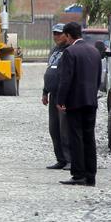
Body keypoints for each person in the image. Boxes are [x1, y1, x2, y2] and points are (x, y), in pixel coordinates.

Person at [56, 21, 102, 186]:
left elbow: (66, 79)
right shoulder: (94, 51)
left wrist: (60, 100)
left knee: (76, 137)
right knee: (89, 137)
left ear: (68, 35)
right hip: (91, 100)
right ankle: (91, 176)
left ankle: (78, 174)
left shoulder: (70, 52)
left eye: (65, 36)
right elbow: (98, 78)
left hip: (75, 102)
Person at [42, 23, 70, 170]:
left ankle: (69, 159)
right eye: (54, 34)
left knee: (65, 128)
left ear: (67, 35)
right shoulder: (54, 51)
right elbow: (49, 72)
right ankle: (60, 158)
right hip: (52, 94)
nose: (57, 36)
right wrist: (45, 92)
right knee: (54, 129)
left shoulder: (70, 50)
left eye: (60, 33)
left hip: (63, 95)